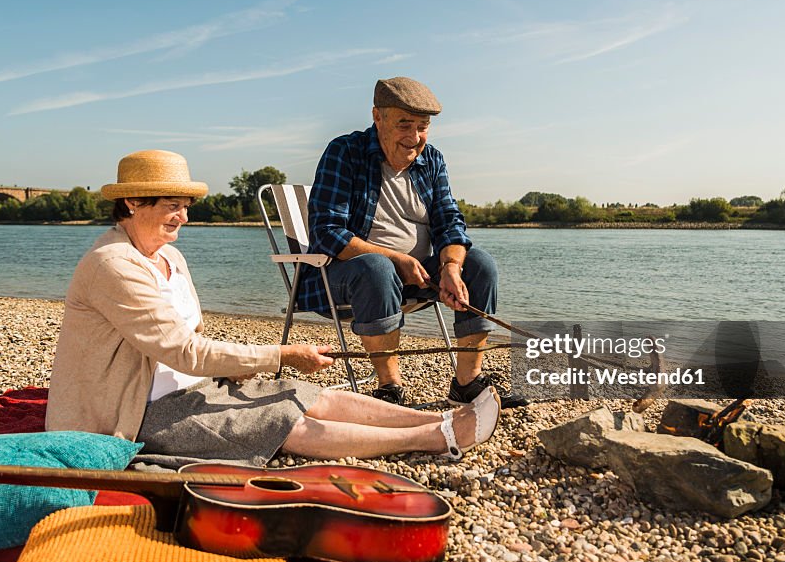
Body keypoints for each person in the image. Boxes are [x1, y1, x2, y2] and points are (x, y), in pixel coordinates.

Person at [45, 149, 499, 465]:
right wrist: (280, 355)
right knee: (281, 420)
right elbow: (183, 351)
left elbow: (194, 343)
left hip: (191, 387)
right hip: (137, 411)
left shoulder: (169, 257)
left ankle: (439, 415)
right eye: (171, 205)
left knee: (307, 395)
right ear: (131, 202)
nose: (183, 216)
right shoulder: (112, 264)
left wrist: (237, 368)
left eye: (184, 205)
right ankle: (439, 437)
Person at [305, 77, 528, 408]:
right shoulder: (345, 152)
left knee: (478, 263)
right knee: (377, 267)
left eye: (422, 127)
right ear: (377, 117)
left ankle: (467, 382)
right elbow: (327, 231)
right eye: (404, 124)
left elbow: (450, 224)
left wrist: (450, 266)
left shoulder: (432, 161)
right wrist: (398, 260)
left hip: (415, 277)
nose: (414, 137)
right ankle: (389, 387)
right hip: (341, 277)